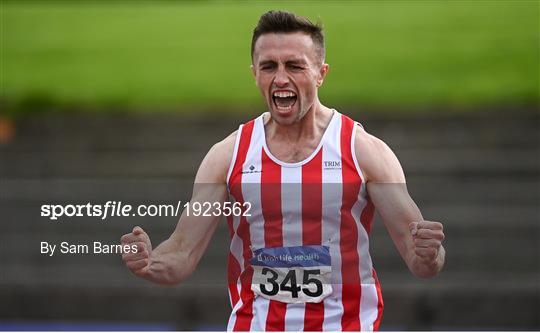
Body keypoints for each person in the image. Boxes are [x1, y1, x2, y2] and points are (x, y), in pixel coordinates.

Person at [121, 10, 445, 331]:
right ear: (254, 74)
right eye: (268, 66)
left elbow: (419, 260)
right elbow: (181, 254)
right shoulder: (228, 155)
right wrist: (150, 263)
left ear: (321, 73)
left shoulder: (364, 151)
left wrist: (430, 254)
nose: (280, 79)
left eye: (294, 65)